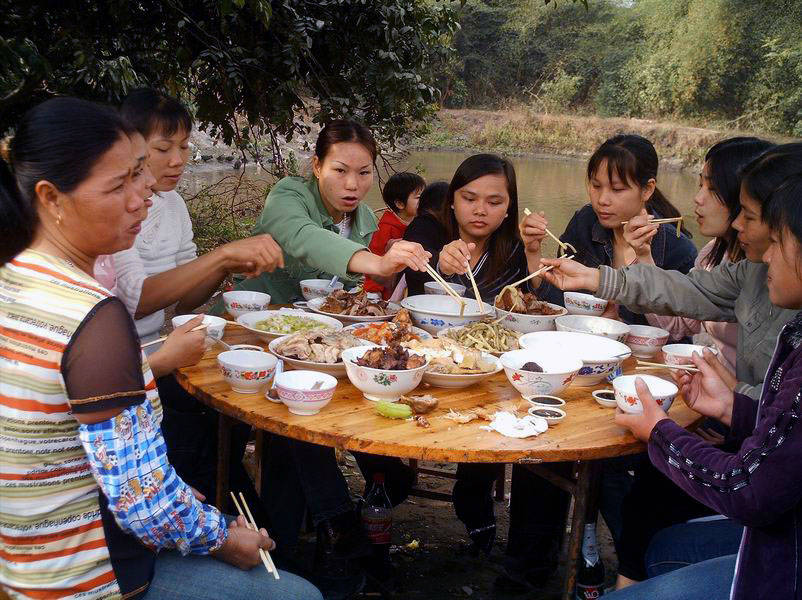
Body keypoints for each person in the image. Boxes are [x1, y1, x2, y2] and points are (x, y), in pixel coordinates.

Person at [0, 97, 321, 600]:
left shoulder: (16, 278)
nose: (142, 197)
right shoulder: (94, 318)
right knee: (300, 596)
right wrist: (221, 538)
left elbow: (69, 446)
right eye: (120, 184)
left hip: (20, 552)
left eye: (138, 177)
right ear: (51, 197)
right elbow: (142, 503)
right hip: (79, 574)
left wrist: (178, 501)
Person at [543, 143, 802, 589]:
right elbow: (684, 293)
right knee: (659, 535)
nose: (738, 224)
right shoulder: (752, 273)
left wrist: (666, 431)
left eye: (755, 219)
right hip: (752, 458)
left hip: (778, 543)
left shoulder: (784, 312)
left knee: (650, 495)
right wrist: (732, 408)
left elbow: (750, 486)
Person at [226, 120, 432, 598]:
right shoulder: (289, 195)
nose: (352, 184)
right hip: (251, 339)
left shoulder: (362, 218)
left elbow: (346, 301)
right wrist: (376, 262)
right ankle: (333, 525)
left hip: (316, 352)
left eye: (363, 173)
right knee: (292, 426)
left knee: (319, 423)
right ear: (316, 166)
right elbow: (301, 238)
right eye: (340, 170)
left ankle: (324, 532)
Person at [112, 88, 280, 522]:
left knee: (240, 404)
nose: (178, 160)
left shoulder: (174, 204)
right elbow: (137, 298)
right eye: (163, 149)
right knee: (202, 426)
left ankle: (244, 514)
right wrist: (221, 255)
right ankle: (236, 522)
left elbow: (185, 298)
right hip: (127, 362)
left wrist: (226, 271)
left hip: (161, 348)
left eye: (184, 147)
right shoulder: (115, 210)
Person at [531, 134, 698, 331]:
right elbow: (557, 301)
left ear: (647, 189)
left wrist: (619, 327)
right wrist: (532, 250)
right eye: (596, 186)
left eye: (617, 189)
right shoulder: (584, 223)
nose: (602, 199)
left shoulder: (677, 250)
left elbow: (682, 334)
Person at [646, 137, 774, 367]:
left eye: (713, 189)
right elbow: (678, 324)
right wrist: (642, 255)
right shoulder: (713, 254)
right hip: (716, 390)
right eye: (700, 185)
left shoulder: (776, 275)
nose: (698, 198)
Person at [403, 153, 548, 300]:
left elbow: (541, 304)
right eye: (470, 199)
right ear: (452, 199)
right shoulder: (427, 228)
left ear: (508, 208)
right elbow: (412, 272)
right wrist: (440, 266)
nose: (480, 210)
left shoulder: (515, 248)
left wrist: (533, 253)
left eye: (494, 202)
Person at [364, 171, 425, 298]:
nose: (425, 201)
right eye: (419, 197)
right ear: (400, 204)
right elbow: (374, 262)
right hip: (382, 286)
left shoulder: (419, 224)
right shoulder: (385, 228)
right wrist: (375, 291)